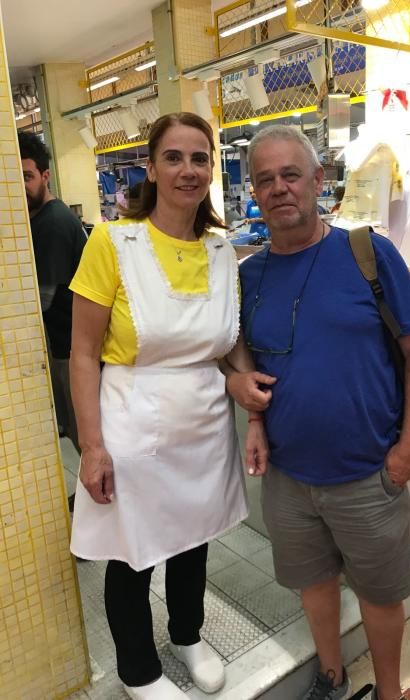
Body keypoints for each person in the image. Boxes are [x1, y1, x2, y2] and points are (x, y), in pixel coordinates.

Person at [68, 112, 271, 700]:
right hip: (131, 417)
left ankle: (188, 634)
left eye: (200, 158)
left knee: (194, 537)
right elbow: (83, 353)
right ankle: (137, 669)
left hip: (204, 423)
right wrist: (92, 445)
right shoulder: (113, 241)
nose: (188, 170)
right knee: (133, 553)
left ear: (212, 168)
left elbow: (228, 337)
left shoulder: (218, 247)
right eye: (175, 158)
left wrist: (244, 387)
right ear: (151, 167)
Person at [236, 126, 410, 700]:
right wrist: (249, 411)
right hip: (288, 478)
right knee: (314, 585)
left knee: (380, 595)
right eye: (265, 179)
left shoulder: (367, 253)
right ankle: (331, 675)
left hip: (369, 474)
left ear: (318, 182)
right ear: (254, 191)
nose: (279, 189)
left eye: (291, 175)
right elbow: (244, 355)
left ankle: (391, 692)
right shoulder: (248, 275)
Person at [18, 132, 86, 461]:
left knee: (83, 430)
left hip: (74, 349)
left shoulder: (53, 223)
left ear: (45, 176)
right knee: (77, 429)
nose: (20, 186)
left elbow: (41, 300)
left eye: (27, 176)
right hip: (65, 344)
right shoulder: (37, 219)